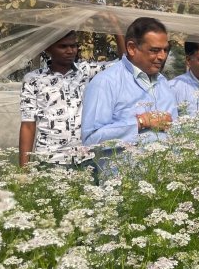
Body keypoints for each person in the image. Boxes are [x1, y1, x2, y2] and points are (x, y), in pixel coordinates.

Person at [19, 26, 124, 167]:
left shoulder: (85, 72)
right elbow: (28, 124)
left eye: (73, 46)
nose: (70, 51)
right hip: (50, 159)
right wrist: (24, 170)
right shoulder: (33, 79)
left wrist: (115, 27)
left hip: (85, 158)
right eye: (63, 46)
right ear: (48, 48)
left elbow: (124, 64)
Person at [81, 17, 178, 148]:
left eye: (165, 50)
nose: (162, 57)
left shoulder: (163, 83)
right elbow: (91, 139)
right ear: (132, 48)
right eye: (154, 50)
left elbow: (174, 131)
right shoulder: (106, 82)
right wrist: (140, 122)